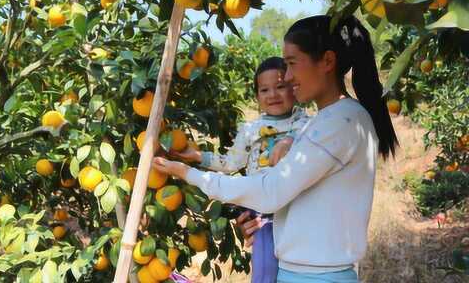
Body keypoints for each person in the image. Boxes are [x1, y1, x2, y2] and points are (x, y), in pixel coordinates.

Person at [154, 15, 398, 283]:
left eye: (292, 64)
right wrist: (272, 225)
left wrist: (189, 174)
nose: (289, 77)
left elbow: (270, 192)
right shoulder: (328, 121)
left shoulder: (341, 121)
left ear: (327, 61)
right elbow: (302, 198)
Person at [171, 56, 309, 283]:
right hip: (263, 214)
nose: (272, 95)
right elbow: (230, 163)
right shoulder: (251, 130)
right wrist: (197, 156)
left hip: (297, 211)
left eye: (280, 86)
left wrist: (289, 141)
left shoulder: (303, 122)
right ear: (257, 96)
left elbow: (306, 138)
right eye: (264, 90)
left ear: (294, 87)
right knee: (264, 272)